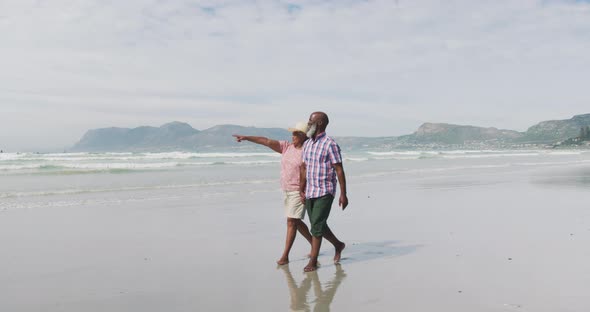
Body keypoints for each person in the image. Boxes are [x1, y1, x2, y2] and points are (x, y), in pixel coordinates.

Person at [233, 122, 313, 265]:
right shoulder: (286, 147)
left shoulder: (308, 151)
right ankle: (314, 244)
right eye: (292, 133)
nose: (292, 135)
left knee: (291, 222)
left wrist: (305, 190)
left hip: (299, 190)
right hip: (286, 189)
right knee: (296, 221)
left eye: (295, 133)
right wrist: (247, 138)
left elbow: (310, 171)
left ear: (303, 136)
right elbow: (266, 141)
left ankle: (285, 256)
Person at [300, 111, 348, 272]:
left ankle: (313, 262)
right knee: (317, 224)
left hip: (325, 191)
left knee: (317, 227)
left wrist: (343, 193)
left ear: (319, 123)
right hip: (310, 191)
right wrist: (301, 189)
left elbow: (339, 169)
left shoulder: (330, 144)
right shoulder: (307, 143)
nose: (308, 123)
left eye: (310, 121)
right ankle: (338, 244)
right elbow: (304, 168)